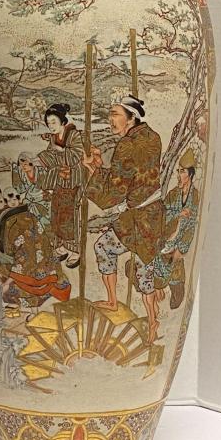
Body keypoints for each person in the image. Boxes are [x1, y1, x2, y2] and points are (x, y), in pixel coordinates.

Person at [83, 95, 164, 345]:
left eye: (115, 114)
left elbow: (114, 193)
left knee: (136, 266)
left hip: (139, 221)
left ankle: (148, 319)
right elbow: (132, 176)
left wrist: (93, 170)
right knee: (133, 261)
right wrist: (103, 170)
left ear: (131, 118)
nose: (111, 120)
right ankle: (140, 313)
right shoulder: (153, 137)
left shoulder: (126, 145)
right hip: (153, 214)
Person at [0, 188, 71, 308]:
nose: (13, 201)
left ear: (20, 199)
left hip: (32, 262)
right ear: (5, 201)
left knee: (11, 286)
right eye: (9, 199)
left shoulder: (26, 217)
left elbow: (32, 244)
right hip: (26, 259)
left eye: (15, 198)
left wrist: (9, 280)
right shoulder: (9, 218)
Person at [151, 148, 200, 310]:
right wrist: (178, 215)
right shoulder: (173, 193)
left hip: (180, 242)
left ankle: (173, 289)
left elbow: (192, 225)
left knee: (176, 271)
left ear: (190, 174)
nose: (179, 175)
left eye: (182, 172)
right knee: (159, 259)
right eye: (178, 171)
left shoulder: (195, 196)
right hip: (167, 237)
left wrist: (182, 248)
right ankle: (157, 290)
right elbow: (163, 215)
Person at [37, 103, 84, 268]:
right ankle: (62, 247)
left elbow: (76, 155)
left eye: (54, 122)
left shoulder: (74, 135)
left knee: (69, 215)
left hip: (74, 180)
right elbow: (51, 156)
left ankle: (75, 250)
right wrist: (39, 159)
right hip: (60, 180)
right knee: (56, 211)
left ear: (63, 122)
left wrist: (60, 151)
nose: (51, 126)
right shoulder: (53, 137)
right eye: (48, 123)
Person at [11, 152, 51, 232]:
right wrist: (15, 171)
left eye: (25, 164)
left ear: (32, 163)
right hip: (29, 200)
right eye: (21, 164)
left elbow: (44, 186)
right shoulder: (23, 175)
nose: (23, 166)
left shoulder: (41, 171)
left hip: (43, 200)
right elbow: (19, 190)